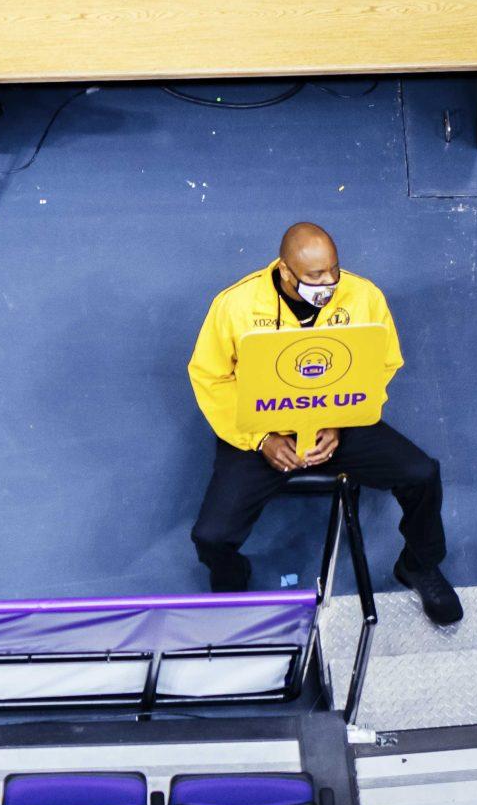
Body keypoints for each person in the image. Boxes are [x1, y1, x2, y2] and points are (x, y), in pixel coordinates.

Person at [186, 221, 461, 624]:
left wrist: (341, 421)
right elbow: (210, 376)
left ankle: (419, 563)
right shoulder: (235, 306)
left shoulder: (363, 296)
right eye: (315, 275)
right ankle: (232, 576)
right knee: (211, 535)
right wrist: (261, 439)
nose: (329, 282)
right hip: (263, 433)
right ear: (285, 271)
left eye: (333, 269)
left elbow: (385, 362)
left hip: (336, 422)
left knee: (421, 475)